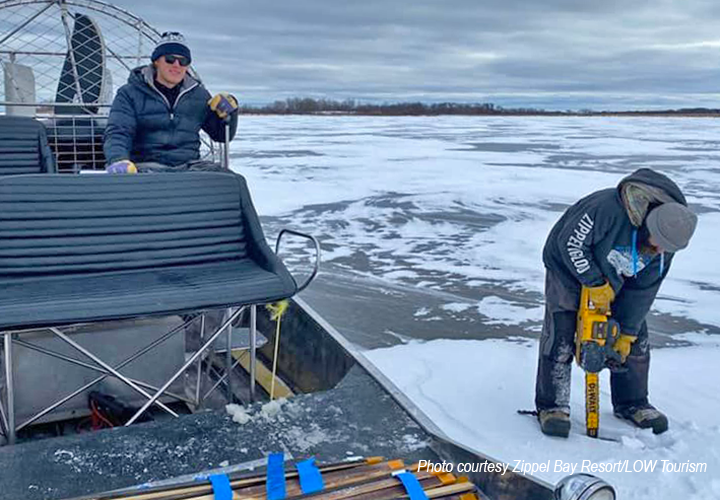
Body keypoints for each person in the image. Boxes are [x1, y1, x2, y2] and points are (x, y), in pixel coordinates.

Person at [535, 168, 697, 437]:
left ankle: (632, 403)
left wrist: (628, 332)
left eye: (667, 249)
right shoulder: (606, 208)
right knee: (562, 332)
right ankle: (552, 406)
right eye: (659, 245)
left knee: (634, 339)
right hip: (567, 269)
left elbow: (644, 289)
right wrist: (594, 281)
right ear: (649, 225)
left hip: (617, 276)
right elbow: (571, 245)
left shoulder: (667, 240)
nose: (661, 252)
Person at [103, 31, 238, 173]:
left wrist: (230, 112)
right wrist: (119, 160)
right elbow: (118, 133)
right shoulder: (129, 93)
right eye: (170, 59)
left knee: (232, 182)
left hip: (189, 167)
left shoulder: (199, 95)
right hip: (146, 167)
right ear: (156, 61)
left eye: (183, 61)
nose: (176, 65)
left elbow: (221, 135)